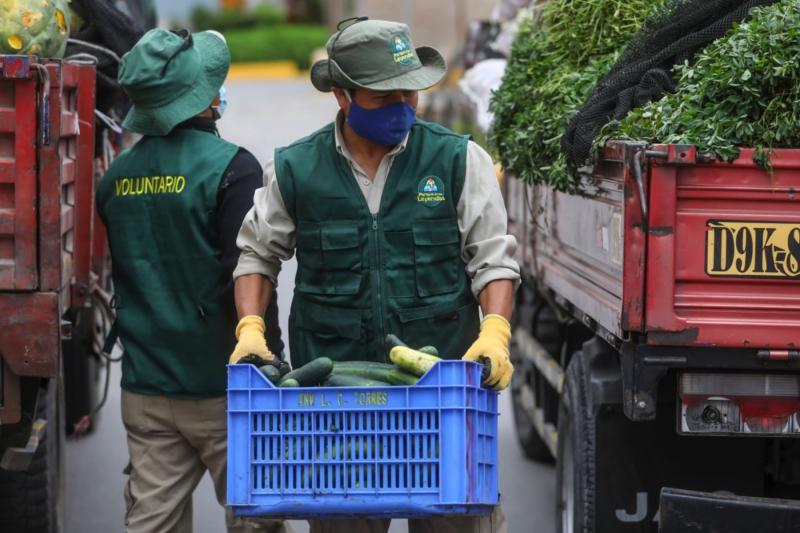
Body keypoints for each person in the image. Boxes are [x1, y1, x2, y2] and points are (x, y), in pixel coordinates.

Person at [231, 18, 520, 533]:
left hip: (440, 400)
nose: (405, 104)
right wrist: (251, 330)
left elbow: (493, 260)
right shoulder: (295, 168)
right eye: (385, 95)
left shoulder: (457, 161)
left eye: (410, 90)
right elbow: (257, 255)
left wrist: (494, 333)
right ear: (342, 96)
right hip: (338, 408)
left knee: (454, 524)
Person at [96, 28, 288, 533]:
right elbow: (248, 277)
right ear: (203, 99)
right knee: (257, 523)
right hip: (227, 389)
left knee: (151, 524)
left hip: (147, 390)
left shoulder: (115, 178)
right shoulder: (232, 168)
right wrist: (275, 365)